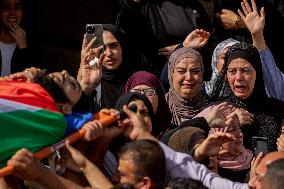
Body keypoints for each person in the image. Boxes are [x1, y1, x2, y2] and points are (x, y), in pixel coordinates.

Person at [208, 41, 284, 152]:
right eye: (232, 71)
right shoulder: (216, 110)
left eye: (245, 71)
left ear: (257, 73)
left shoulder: (278, 111)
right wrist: (231, 124)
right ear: (226, 75)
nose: (238, 77)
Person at [117, 0, 215, 78]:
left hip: (191, 76)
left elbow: (210, 41)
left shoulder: (194, 5)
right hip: (157, 75)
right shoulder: (147, 5)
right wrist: (133, 2)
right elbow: (126, 27)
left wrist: (184, 48)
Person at [77, 24, 134, 110]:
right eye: (102, 48)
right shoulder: (91, 81)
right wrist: (86, 89)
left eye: (113, 45)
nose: (108, 54)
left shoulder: (137, 80)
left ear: (122, 47)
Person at [125, 71, 172, 137]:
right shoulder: (122, 131)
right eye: (135, 92)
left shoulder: (171, 135)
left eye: (149, 91)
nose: (142, 96)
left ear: (159, 96)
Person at [167, 47, 206, 126]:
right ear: (171, 74)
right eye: (181, 71)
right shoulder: (160, 108)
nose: (188, 77)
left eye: (195, 71)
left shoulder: (211, 109)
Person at [0, 0, 35, 76]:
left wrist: (23, 47)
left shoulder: (32, 43)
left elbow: (33, 78)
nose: (12, 12)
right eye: (6, 7)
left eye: (17, 7)